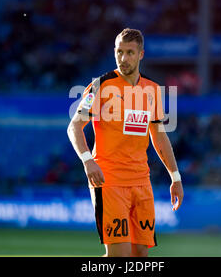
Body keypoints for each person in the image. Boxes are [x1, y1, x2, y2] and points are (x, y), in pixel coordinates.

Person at [67, 28, 183, 257]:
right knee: (119, 255)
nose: (123, 58)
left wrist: (175, 176)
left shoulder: (152, 90)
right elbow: (74, 126)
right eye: (119, 52)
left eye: (130, 52)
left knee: (140, 253)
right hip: (109, 181)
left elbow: (158, 135)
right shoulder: (100, 86)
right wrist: (87, 160)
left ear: (141, 54)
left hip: (141, 181)